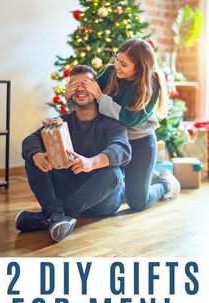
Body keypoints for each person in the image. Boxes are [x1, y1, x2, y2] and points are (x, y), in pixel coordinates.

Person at [15, 65, 132, 242]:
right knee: (33, 158)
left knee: (113, 172)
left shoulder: (111, 123)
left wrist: (91, 162)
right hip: (70, 187)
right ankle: (55, 216)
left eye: (85, 83)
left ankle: (51, 215)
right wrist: (37, 155)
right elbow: (30, 140)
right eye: (73, 84)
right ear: (68, 91)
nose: (79, 89)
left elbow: (122, 149)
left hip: (102, 200)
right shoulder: (62, 122)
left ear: (96, 88)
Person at [66, 39, 180, 212]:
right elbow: (88, 108)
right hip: (113, 140)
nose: (117, 66)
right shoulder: (109, 73)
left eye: (124, 64)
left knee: (137, 203)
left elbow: (130, 119)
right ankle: (139, 180)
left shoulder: (151, 85)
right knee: (110, 185)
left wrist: (100, 96)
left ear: (140, 67)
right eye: (117, 59)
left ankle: (165, 182)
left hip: (140, 143)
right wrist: (71, 97)